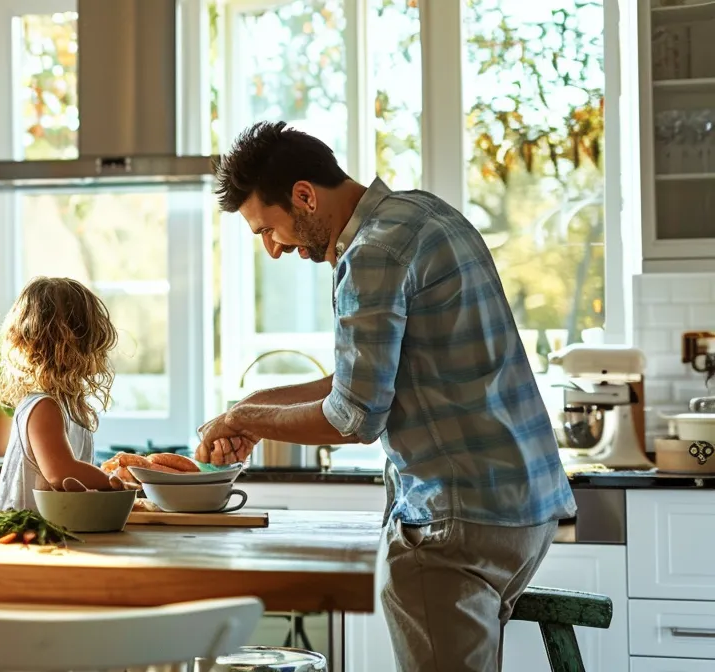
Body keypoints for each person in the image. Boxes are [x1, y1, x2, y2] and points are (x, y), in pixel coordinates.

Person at [196, 121, 574, 671]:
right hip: (523, 510)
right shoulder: (424, 214)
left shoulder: (370, 254)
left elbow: (353, 417)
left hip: (454, 520)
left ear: (304, 195)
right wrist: (248, 411)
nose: (274, 250)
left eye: (267, 231)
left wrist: (248, 417)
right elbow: (366, 378)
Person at [0, 277, 128, 511]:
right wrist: (113, 483)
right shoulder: (44, 406)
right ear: (75, 347)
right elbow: (60, 472)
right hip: (25, 535)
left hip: (53, 531)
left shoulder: (67, 407)